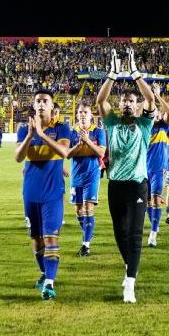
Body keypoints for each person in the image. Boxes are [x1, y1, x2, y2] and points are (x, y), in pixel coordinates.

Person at [96, 48, 156, 303]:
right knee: (119, 233)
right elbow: (100, 102)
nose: (128, 104)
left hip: (138, 186)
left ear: (136, 105)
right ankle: (130, 267)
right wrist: (112, 75)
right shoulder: (112, 123)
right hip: (115, 186)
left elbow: (151, 101)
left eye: (132, 101)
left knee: (134, 233)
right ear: (120, 105)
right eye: (124, 101)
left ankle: (130, 281)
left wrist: (135, 73)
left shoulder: (144, 124)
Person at [15, 89, 71, 300]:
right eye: (37, 101)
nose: (40, 104)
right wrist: (31, 135)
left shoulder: (61, 128)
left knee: (50, 238)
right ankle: (43, 273)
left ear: (51, 106)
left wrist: (42, 134)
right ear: (34, 104)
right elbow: (18, 158)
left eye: (45, 101)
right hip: (30, 192)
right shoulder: (23, 130)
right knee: (36, 240)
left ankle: (49, 282)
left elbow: (64, 152)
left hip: (53, 193)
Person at [66, 101, 106, 256]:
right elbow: (67, 154)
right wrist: (79, 145)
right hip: (76, 176)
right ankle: (88, 232)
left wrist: (87, 141)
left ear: (91, 115)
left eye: (85, 112)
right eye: (80, 112)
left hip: (92, 175)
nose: (82, 115)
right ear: (76, 115)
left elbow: (101, 153)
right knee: (78, 210)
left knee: (88, 208)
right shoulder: (71, 132)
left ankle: (86, 244)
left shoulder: (98, 132)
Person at [146, 83, 169, 247]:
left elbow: (167, 111)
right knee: (147, 201)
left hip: (158, 169)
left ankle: (153, 234)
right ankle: (154, 224)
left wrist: (157, 95)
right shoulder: (144, 125)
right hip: (142, 170)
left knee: (154, 200)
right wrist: (148, 96)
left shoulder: (163, 127)